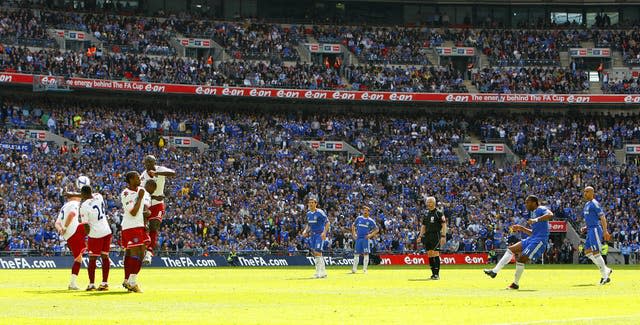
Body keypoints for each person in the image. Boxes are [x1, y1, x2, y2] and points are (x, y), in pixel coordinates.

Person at [484, 195, 553, 290]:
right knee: (511, 249)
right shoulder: (533, 213)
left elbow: (551, 215)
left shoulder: (541, 209)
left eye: (527, 202)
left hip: (539, 241)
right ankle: (494, 271)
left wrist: (535, 220)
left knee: (521, 259)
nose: (526, 204)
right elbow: (534, 232)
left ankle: (515, 284)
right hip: (532, 238)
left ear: (534, 202)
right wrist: (521, 228)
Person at [140, 155, 176, 265]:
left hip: (158, 204)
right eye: (147, 163)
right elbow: (142, 193)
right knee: (144, 228)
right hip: (147, 203)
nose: (149, 164)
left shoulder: (160, 169)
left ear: (154, 162)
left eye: (151, 162)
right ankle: (144, 248)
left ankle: (149, 253)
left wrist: (157, 173)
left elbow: (173, 173)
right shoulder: (143, 177)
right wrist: (154, 197)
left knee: (154, 225)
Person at [120, 171, 151, 293]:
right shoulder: (126, 193)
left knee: (134, 253)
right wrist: (140, 197)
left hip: (138, 225)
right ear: (131, 180)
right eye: (137, 178)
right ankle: (132, 282)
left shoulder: (140, 190)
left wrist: (145, 215)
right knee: (138, 253)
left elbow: (140, 210)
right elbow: (132, 212)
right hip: (131, 227)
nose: (140, 179)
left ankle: (128, 280)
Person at [79, 185, 113, 291]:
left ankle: (92, 284)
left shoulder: (84, 206)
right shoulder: (99, 196)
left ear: (83, 194)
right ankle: (104, 283)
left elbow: (85, 225)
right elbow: (90, 194)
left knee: (92, 258)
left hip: (96, 233)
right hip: (107, 231)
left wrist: (88, 235)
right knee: (105, 257)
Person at [581, 186, 613, 285]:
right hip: (590, 229)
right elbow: (591, 218)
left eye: (587, 192)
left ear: (592, 193)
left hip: (595, 230)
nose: (585, 193)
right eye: (584, 192)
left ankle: (605, 277)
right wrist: (586, 227)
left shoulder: (595, 204)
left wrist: (605, 231)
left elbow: (602, 218)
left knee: (595, 252)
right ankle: (606, 270)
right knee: (587, 252)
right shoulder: (587, 204)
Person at [54, 194, 86, 290]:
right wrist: (65, 227)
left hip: (68, 235)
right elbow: (72, 214)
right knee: (94, 224)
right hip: (74, 230)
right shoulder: (75, 203)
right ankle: (100, 249)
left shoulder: (64, 206)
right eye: (79, 197)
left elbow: (56, 223)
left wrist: (61, 230)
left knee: (78, 258)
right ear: (74, 198)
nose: (80, 198)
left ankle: (73, 283)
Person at [417, 196, 447, 280]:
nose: (428, 203)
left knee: (435, 253)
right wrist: (420, 236)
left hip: (436, 235)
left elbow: (444, 225)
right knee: (429, 254)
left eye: (430, 202)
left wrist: (443, 236)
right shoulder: (426, 214)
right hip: (427, 235)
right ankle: (433, 273)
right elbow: (423, 226)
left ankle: (437, 274)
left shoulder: (439, 213)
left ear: (434, 203)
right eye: (427, 202)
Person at [301, 195, 329, 278]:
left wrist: (324, 233)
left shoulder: (320, 212)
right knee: (317, 253)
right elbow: (309, 225)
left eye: (312, 203)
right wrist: (305, 231)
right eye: (309, 203)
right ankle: (324, 272)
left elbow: (327, 223)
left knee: (317, 252)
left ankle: (318, 273)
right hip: (312, 235)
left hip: (319, 234)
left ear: (316, 204)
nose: (310, 204)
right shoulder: (308, 214)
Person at [351, 204, 379, 274]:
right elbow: (353, 225)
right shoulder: (359, 218)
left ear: (369, 212)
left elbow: (377, 229)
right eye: (364, 210)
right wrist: (354, 234)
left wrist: (370, 235)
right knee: (356, 254)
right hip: (358, 239)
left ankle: (364, 269)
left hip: (365, 239)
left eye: (366, 211)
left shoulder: (370, 221)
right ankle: (354, 269)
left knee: (366, 254)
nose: (365, 212)